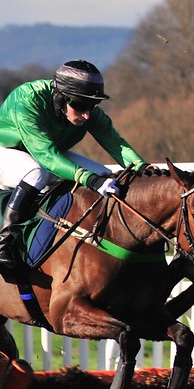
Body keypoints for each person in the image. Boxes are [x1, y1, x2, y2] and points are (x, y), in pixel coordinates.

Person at [0, 60, 151, 271]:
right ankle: (3, 243)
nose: (87, 114)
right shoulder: (28, 99)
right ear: (59, 97)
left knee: (104, 174)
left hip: (46, 153)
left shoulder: (88, 113)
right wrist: (89, 179)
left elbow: (115, 143)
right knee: (35, 173)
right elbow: (46, 156)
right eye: (80, 105)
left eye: (92, 106)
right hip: (8, 151)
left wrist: (143, 168)